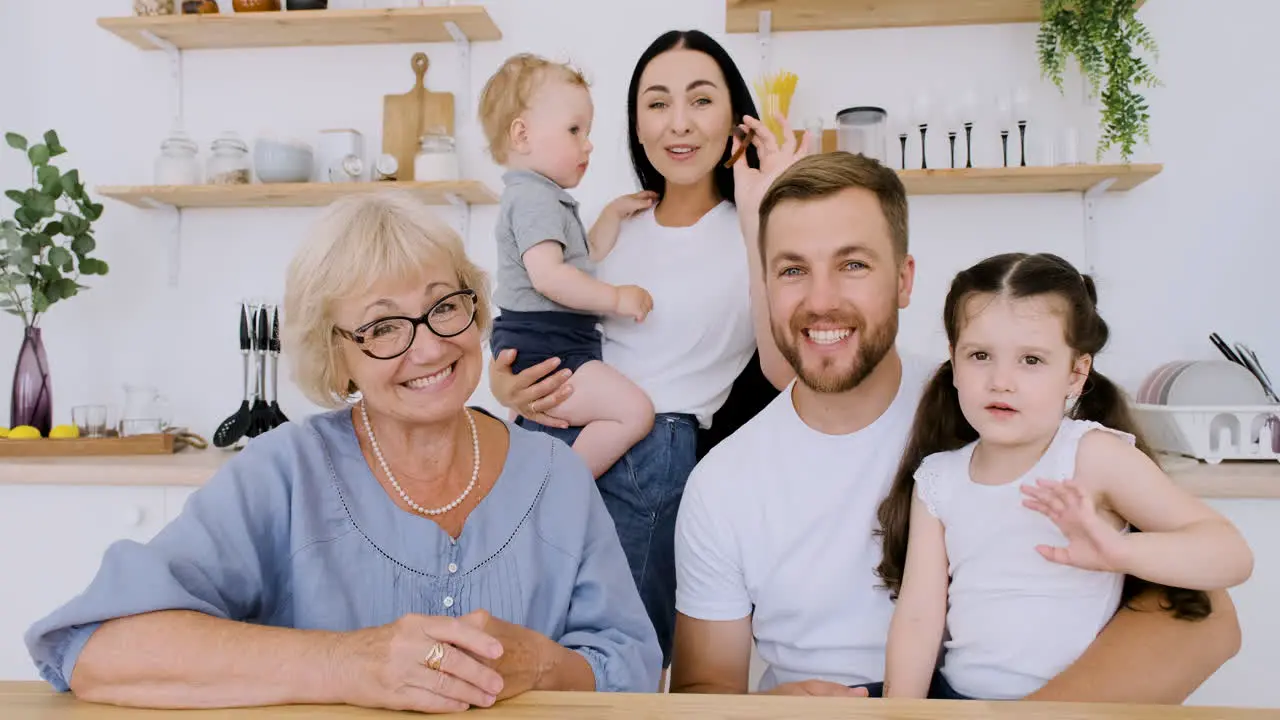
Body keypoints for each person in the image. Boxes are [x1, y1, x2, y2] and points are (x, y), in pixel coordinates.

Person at [23, 193, 661, 713]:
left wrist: (543, 663)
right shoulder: (284, 473)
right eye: (382, 327)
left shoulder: (557, 474)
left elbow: (634, 670)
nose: (429, 347)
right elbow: (100, 651)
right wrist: (346, 663)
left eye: (445, 305)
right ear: (337, 356)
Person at [670, 151, 1243, 702]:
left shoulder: (998, 406)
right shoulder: (723, 482)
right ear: (766, 286)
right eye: (792, 269)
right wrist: (772, 707)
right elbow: (703, 693)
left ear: (903, 279)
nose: (821, 300)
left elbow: (1203, 616)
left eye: (853, 265)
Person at [486, 30, 798, 671]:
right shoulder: (611, 220)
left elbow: (780, 368)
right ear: (635, 121)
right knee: (519, 645)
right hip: (553, 431)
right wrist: (506, 383)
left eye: (701, 100)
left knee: (619, 662)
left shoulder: (756, 230)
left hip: (652, 459)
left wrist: (761, 211)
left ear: (736, 120)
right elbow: (539, 313)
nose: (677, 123)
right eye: (657, 103)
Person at [877, 251, 1254, 700]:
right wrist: (901, 713)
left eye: (1031, 360)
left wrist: (1120, 550)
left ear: (1076, 374)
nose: (1001, 380)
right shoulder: (938, 480)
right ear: (954, 364)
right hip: (960, 703)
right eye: (980, 355)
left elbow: (1232, 556)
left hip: (1073, 705)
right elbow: (919, 618)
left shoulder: (1092, 455)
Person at [479, 53, 656, 479]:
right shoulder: (534, 198)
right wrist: (616, 298)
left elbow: (582, 261)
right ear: (522, 135)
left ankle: (535, 472)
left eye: (588, 131)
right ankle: (558, 488)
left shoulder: (543, 196)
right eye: (575, 130)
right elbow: (550, 277)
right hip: (548, 345)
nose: (588, 143)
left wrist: (611, 216)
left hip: (551, 341)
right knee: (634, 412)